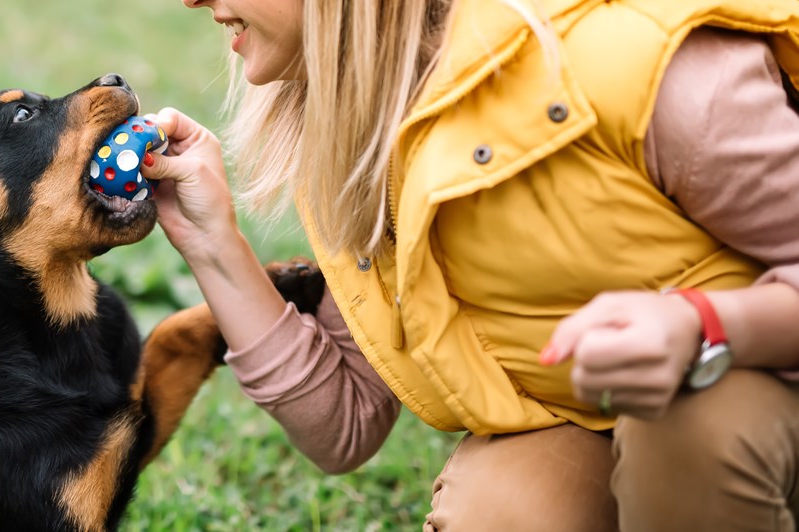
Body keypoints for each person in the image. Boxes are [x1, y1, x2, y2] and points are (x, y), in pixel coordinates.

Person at [138, 0, 799, 529]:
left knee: (687, 421)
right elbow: (344, 426)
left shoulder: (637, 63)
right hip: (586, 413)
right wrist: (211, 243)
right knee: (504, 510)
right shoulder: (358, 129)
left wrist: (704, 322)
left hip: (756, 390)